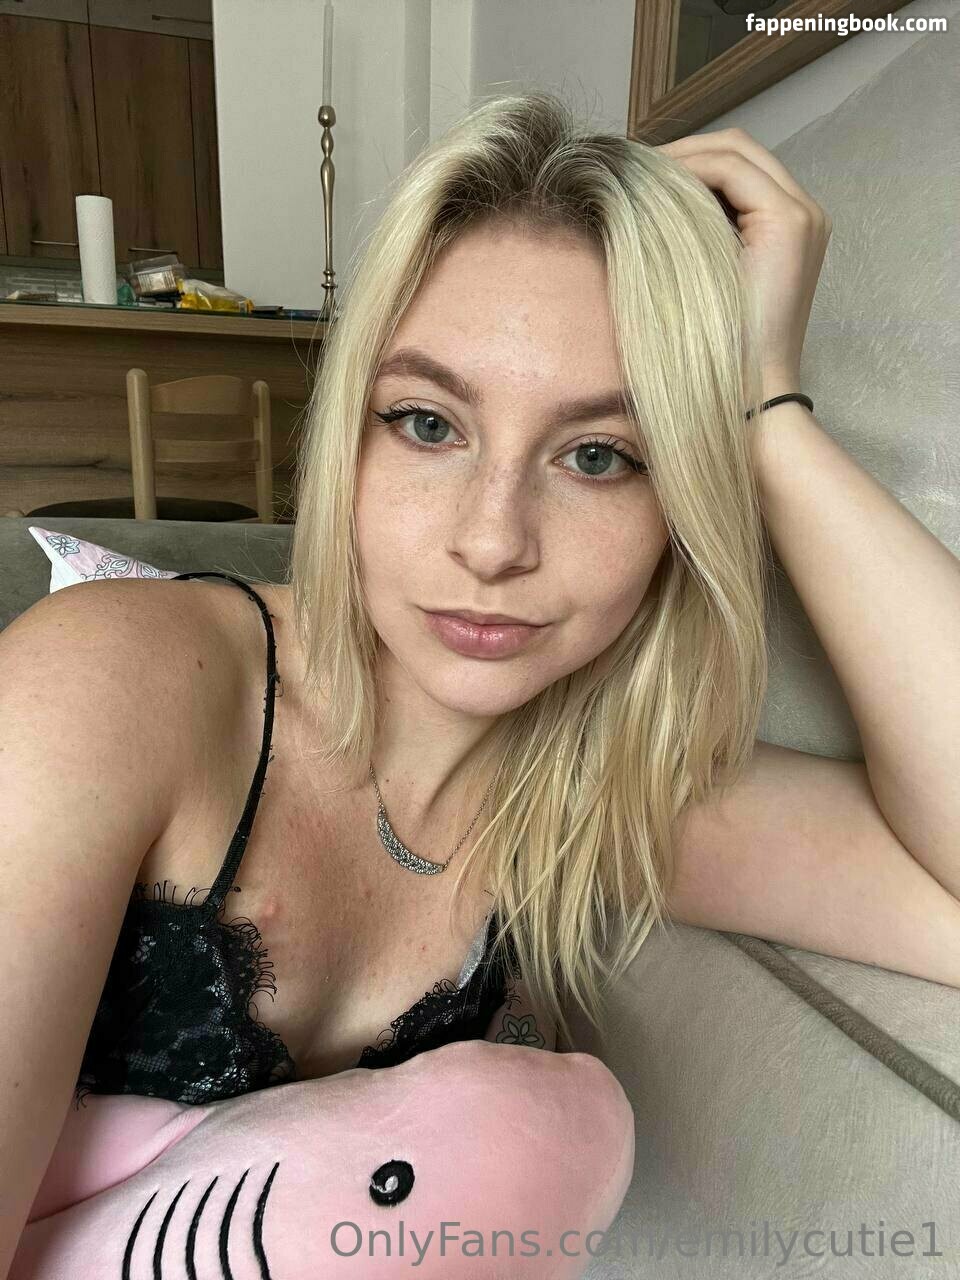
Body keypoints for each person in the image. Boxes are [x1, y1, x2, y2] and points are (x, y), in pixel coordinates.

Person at [3, 88, 959, 1274]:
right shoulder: (113, 682)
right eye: (427, 424)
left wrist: (767, 411)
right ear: (346, 437)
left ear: (682, 502)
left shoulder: (606, 793)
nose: (494, 540)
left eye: (600, 454)